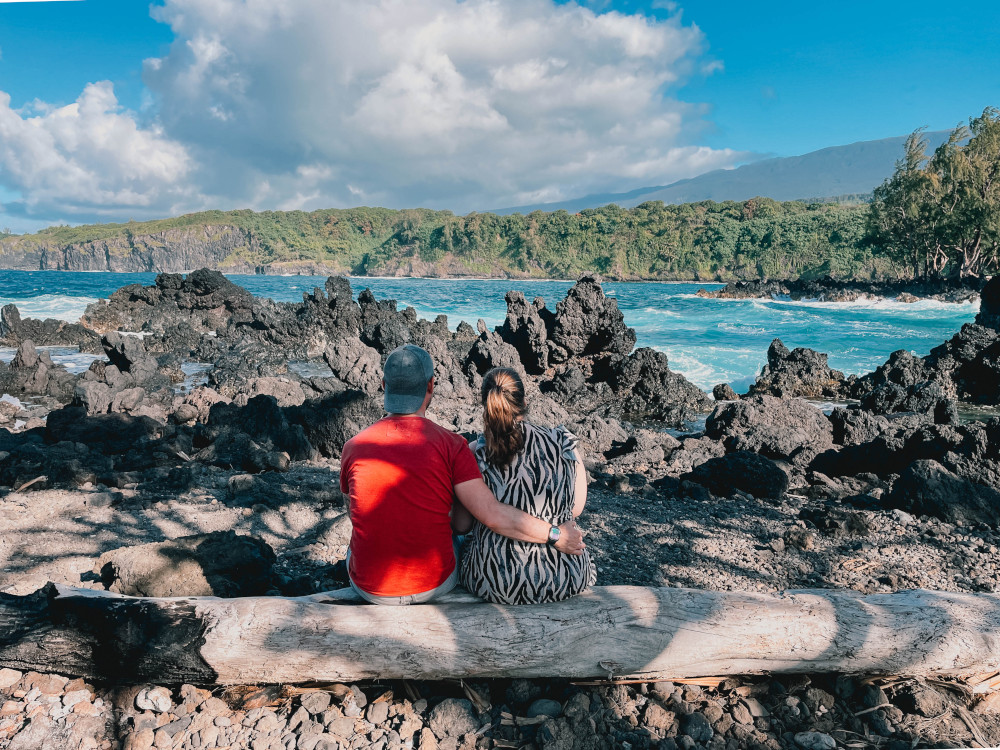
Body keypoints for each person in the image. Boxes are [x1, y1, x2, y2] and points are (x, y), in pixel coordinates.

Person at [339, 344, 585, 605]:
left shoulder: (353, 447)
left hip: (370, 587)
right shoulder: (452, 444)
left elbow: (355, 512)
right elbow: (489, 515)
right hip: (434, 584)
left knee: (355, 546)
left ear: (383, 384)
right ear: (431, 386)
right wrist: (555, 535)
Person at [457, 367, 597, 604]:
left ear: (487, 406)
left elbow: (462, 524)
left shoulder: (475, 453)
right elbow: (576, 508)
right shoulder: (564, 442)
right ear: (525, 401)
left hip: (495, 581)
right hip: (564, 577)